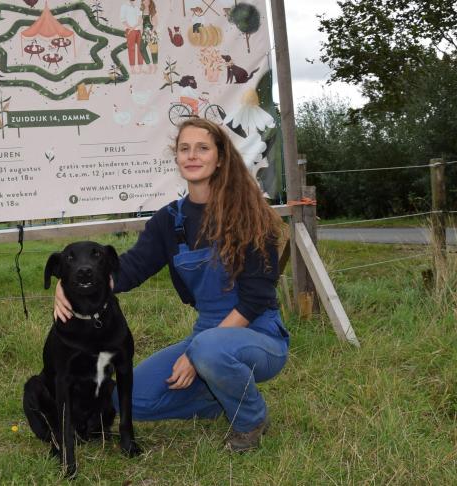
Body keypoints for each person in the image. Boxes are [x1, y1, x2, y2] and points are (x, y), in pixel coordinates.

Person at [54, 118, 289, 452]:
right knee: (126, 400)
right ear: (177, 157)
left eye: (202, 148)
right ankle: (218, 399)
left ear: (220, 158)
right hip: (205, 334)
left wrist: (195, 354)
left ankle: (250, 419)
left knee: (209, 351)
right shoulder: (169, 220)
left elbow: (254, 300)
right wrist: (72, 283)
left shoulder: (252, 215)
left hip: (260, 334)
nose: (192, 155)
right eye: (184, 149)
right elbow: (129, 269)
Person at [120, 0, 143, 73]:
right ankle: (132, 68)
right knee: (131, 49)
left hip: (138, 30)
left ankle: (140, 67)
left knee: (141, 49)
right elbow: (123, 20)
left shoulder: (137, 7)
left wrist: (134, 28)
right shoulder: (124, 6)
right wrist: (130, 28)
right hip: (129, 30)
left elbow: (140, 20)